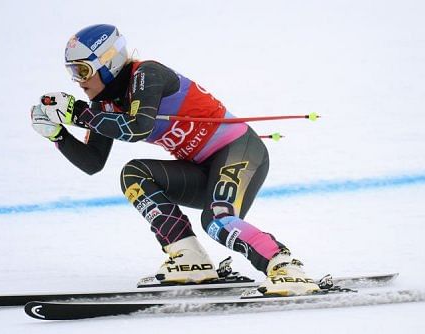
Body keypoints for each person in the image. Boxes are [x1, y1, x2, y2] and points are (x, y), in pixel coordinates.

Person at [30, 24, 319, 296]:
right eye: (73, 73)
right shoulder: (101, 104)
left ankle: (285, 266)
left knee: (217, 220)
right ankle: (189, 257)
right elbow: (93, 162)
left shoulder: (147, 75)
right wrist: (58, 135)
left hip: (238, 150)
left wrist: (78, 114)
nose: (78, 82)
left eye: (82, 70)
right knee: (134, 174)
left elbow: (138, 126)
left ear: (109, 63)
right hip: (202, 167)